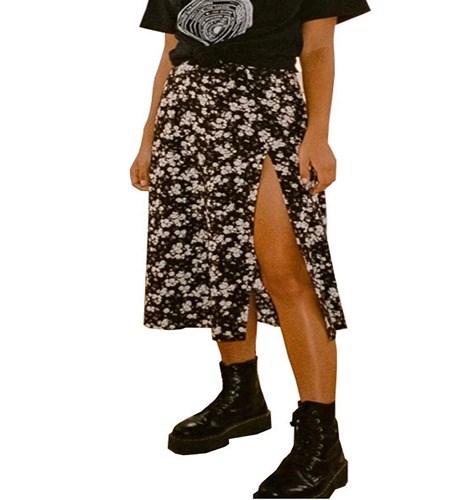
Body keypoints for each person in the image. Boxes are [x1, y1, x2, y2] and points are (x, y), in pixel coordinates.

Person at [130, 0, 371, 497]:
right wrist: (150, 134)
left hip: (264, 108)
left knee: (285, 269)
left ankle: (322, 444)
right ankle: (241, 396)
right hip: (188, 113)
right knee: (218, 258)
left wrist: (318, 136)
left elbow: (318, 48)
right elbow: (172, 48)